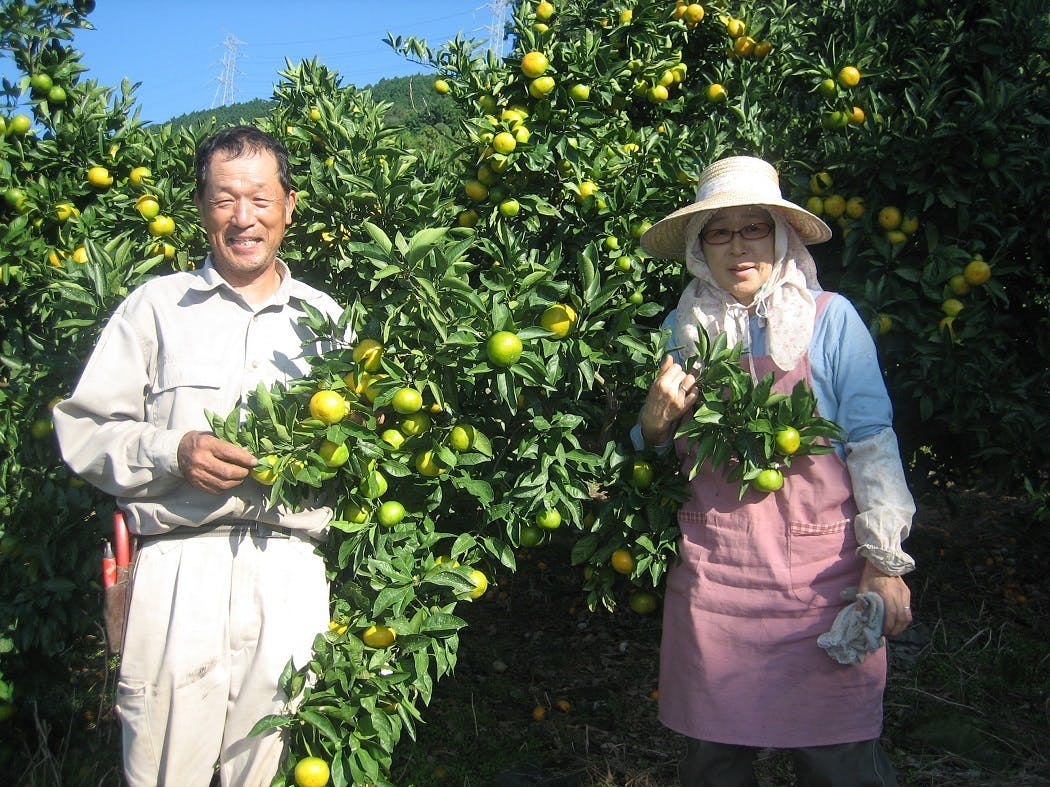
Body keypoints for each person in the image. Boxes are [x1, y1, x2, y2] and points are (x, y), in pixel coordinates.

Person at [54, 125, 343, 786]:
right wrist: (171, 452)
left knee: (273, 769)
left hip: (290, 570)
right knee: (165, 769)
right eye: (224, 199)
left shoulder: (327, 321)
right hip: (178, 567)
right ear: (201, 207)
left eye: (260, 199)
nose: (244, 218)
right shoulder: (156, 308)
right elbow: (85, 430)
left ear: (289, 206)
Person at [634, 156, 916, 786]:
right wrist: (652, 423)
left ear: (781, 236)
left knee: (839, 761)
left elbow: (872, 443)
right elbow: (650, 456)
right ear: (699, 246)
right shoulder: (681, 331)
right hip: (716, 578)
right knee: (714, 762)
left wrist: (884, 562)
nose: (738, 247)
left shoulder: (829, 320)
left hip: (823, 581)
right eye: (719, 232)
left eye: (753, 228)